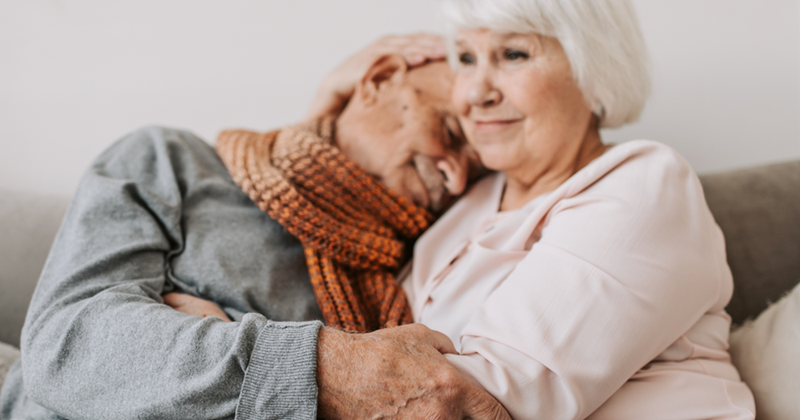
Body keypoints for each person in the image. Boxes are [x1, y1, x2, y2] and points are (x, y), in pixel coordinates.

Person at [0, 36, 510, 419]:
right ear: (378, 79)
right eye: (448, 131)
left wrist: (202, 340)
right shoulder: (172, 161)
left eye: (478, 170)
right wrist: (328, 369)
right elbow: (70, 345)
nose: (458, 174)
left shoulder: (418, 270)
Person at [393, 0, 755, 418]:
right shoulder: (464, 204)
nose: (475, 93)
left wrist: (313, 365)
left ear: (594, 69)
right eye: (466, 58)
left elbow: (484, 397)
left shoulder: (644, 184)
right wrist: (326, 107)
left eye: (514, 54)